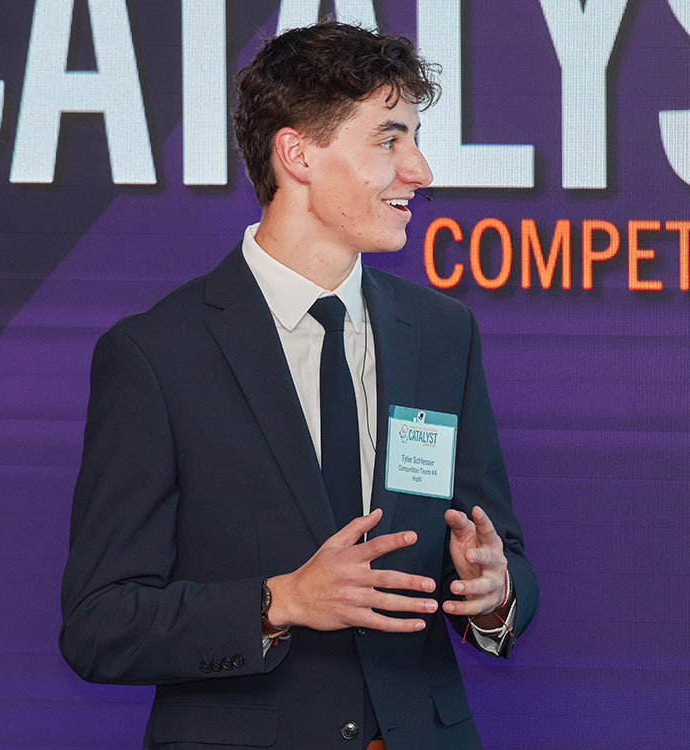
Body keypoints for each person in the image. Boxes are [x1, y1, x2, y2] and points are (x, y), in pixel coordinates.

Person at [60, 21, 538, 750]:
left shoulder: (442, 333)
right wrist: (280, 601)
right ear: (299, 153)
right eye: (390, 139)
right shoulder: (156, 355)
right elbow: (99, 626)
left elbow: (497, 547)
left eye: (414, 139)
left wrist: (493, 593)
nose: (421, 171)